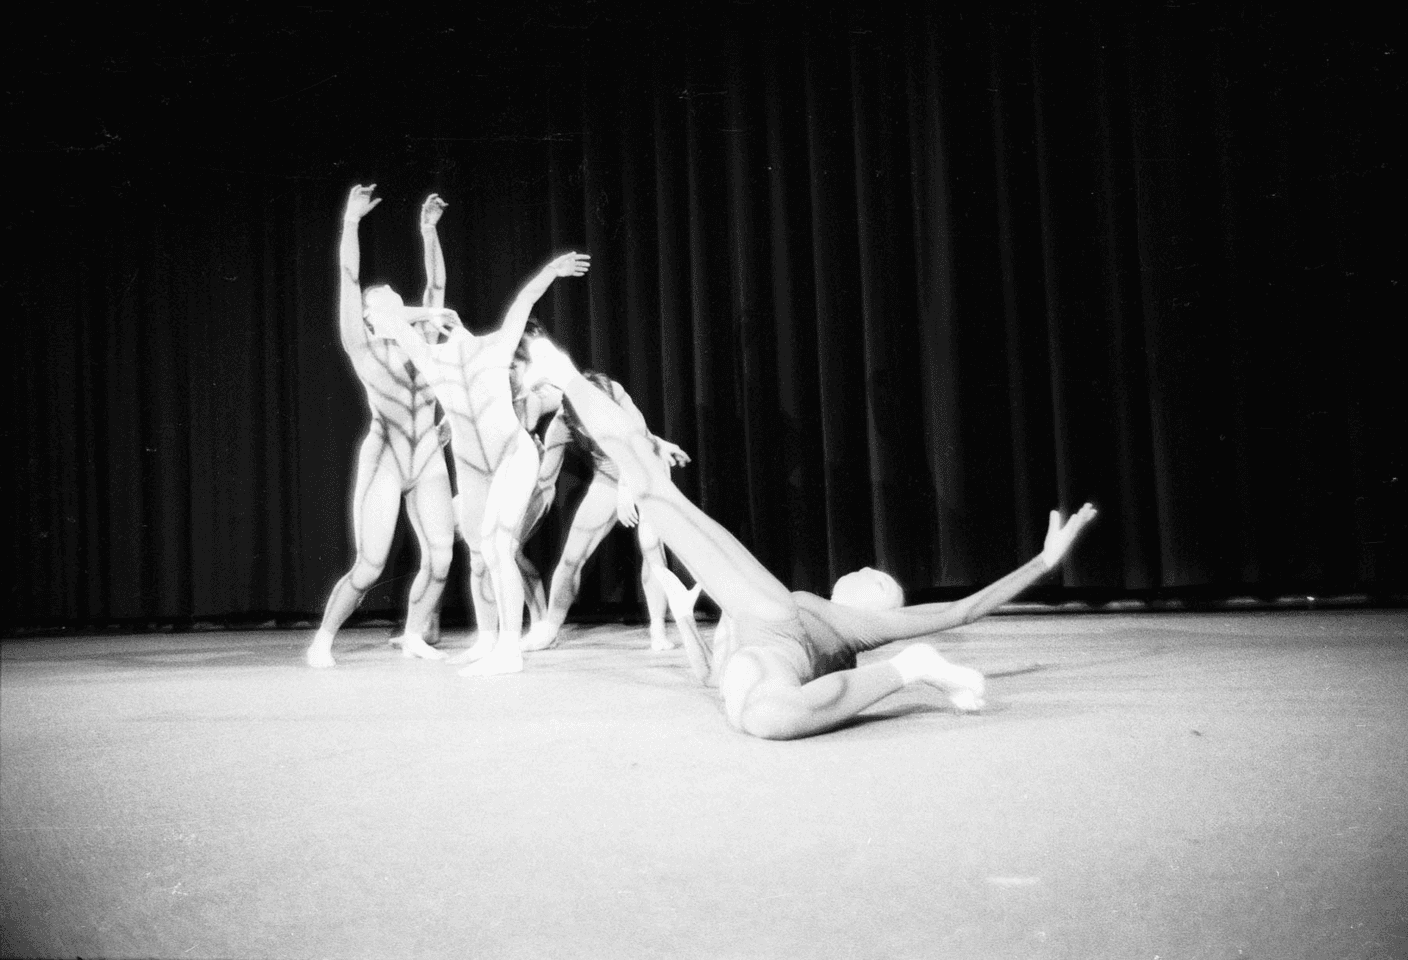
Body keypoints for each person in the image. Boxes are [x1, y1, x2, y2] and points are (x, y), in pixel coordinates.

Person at [520, 335, 1099, 740]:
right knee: (654, 492)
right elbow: (962, 611)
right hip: (763, 618)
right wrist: (1042, 564)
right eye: (872, 574)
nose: (864, 573)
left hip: (764, 625)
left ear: (870, 599)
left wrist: (1043, 565)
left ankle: (912, 670)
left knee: (653, 491)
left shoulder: (855, 626)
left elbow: (961, 610)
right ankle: (911, 670)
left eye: (873, 581)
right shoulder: (850, 624)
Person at [363, 197, 589, 677]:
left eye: (445, 320)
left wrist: (552, 269)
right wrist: (427, 255)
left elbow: (525, 300)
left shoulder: (491, 347)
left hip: (512, 454)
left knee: (498, 544)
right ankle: (488, 640)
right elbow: (388, 318)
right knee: (480, 554)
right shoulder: (428, 358)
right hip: (472, 465)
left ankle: (510, 649)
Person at [306, 187, 460, 668]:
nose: (395, 302)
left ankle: (414, 634)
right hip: (388, 457)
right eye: (384, 303)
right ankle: (322, 641)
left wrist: (428, 231)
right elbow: (349, 278)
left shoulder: (423, 343)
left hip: (428, 457)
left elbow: (436, 289)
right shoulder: (366, 350)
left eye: (396, 297)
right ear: (373, 319)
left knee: (441, 558)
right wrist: (351, 223)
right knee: (370, 565)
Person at [519, 370, 693, 653]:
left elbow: (639, 441)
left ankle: (658, 629)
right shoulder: (563, 422)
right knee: (572, 555)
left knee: (650, 545)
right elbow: (545, 481)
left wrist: (628, 486)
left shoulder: (617, 393)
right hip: (609, 474)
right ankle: (550, 628)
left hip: (646, 464)